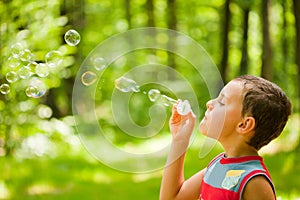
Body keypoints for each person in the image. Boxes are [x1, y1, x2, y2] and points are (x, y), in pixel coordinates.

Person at [159, 75, 292, 200]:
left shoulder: (253, 181)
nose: (209, 103)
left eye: (222, 101)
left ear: (244, 125)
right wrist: (180, 140)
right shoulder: (218, 167)